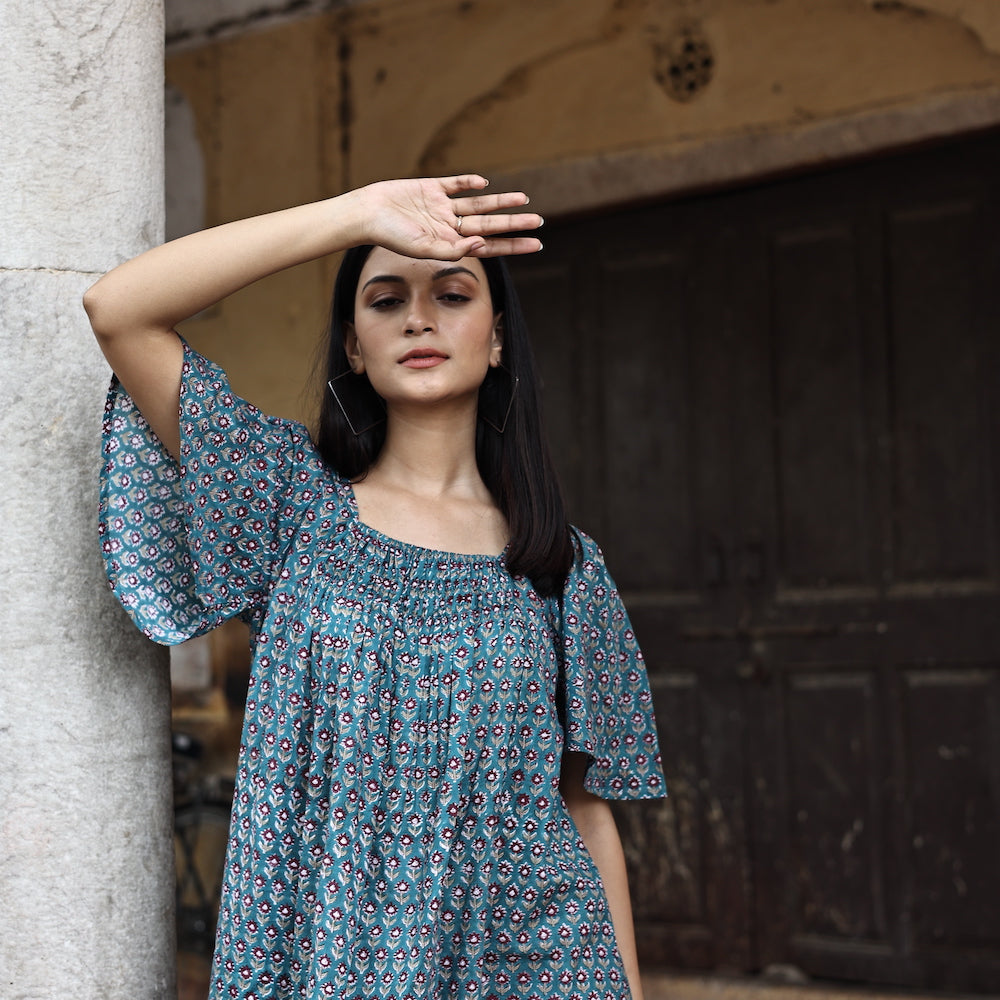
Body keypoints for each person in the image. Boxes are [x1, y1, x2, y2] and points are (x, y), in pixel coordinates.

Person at [84, 174, 665, 1000]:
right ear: (353, 346)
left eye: (452, 295)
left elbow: (584, 806)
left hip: (532, 960)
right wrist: (352, 215)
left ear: (498, 339)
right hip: (328, 954)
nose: (419, 318)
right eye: (385, 299)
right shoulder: (286, 505)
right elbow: (121, 309)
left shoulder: (561, 567)